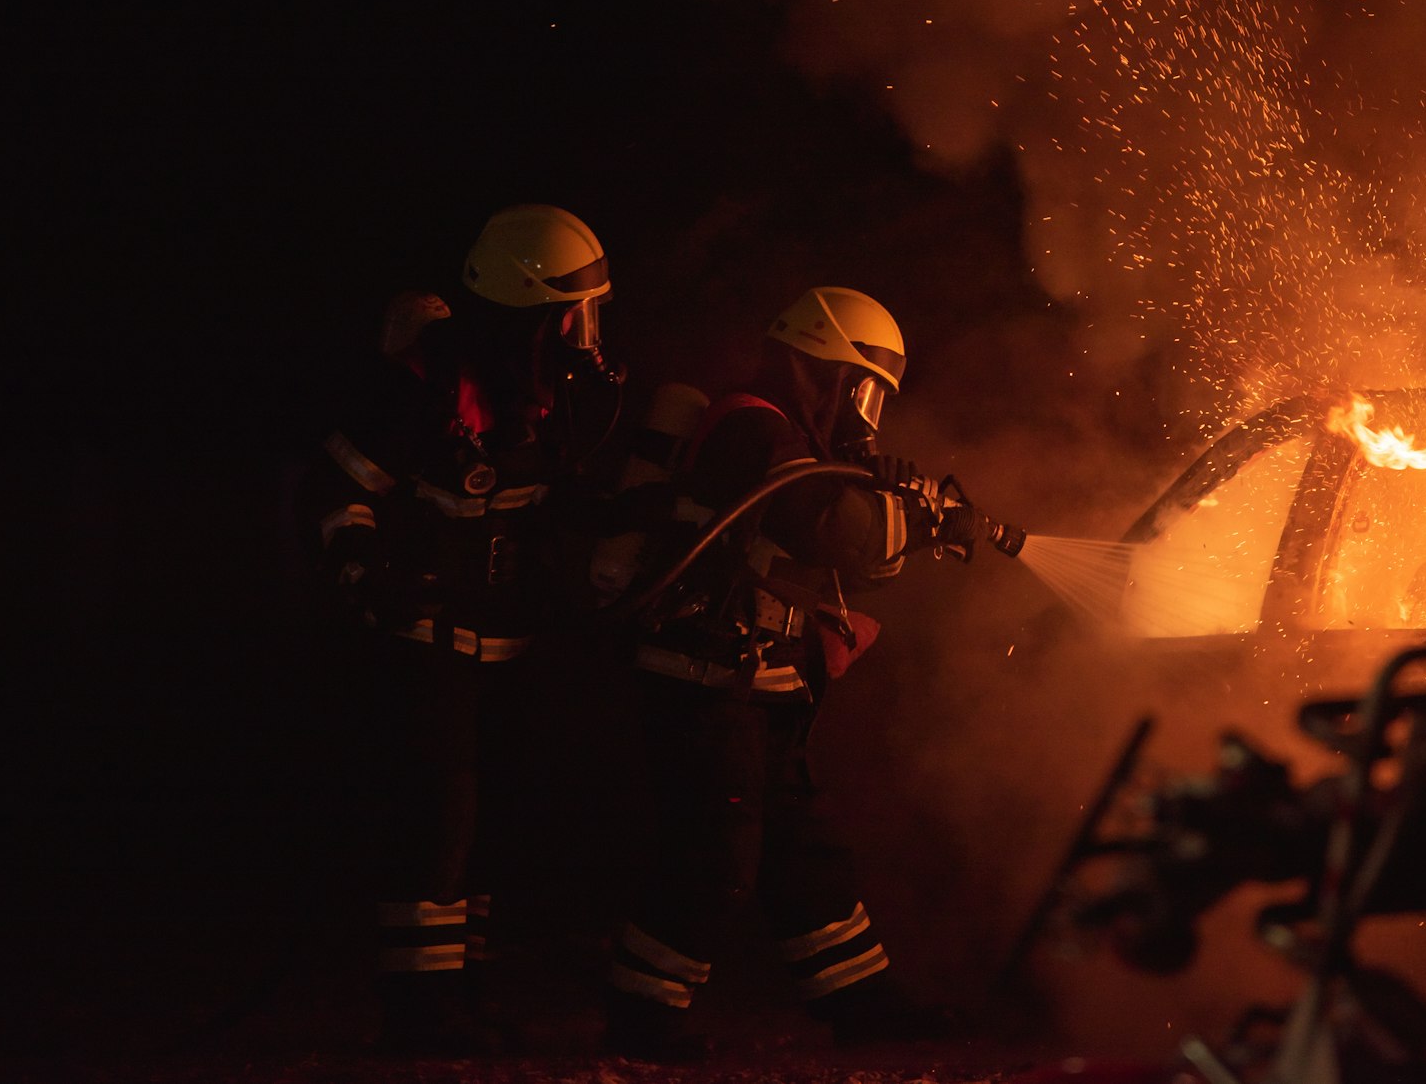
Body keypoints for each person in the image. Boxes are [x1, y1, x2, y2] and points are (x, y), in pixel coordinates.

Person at [602, 286, 972, 1061]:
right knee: (716, 850)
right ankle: (642, 1013)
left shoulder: (792, 439)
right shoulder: (754, 428)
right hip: (701, 676)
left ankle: (859, 1000)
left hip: (755, 677)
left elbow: (845, 537)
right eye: (864, 390)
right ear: (825, 373)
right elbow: (838, 532)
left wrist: (903, 506)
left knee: (800, 845)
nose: (867, 414)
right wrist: (923, 514)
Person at [301, 204, 624, 1055]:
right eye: (573, 313)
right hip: (430, 645)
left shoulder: (550, 397)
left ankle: (462, 992)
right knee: (437, 822)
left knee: (496, 824)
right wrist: (364, 570)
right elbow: (338, 494)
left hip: (510, 648)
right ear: (528, 311)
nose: (585, 334)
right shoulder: (425, 389)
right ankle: (418, 1010)